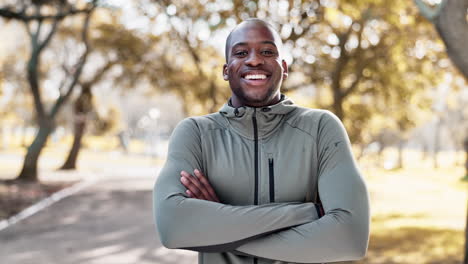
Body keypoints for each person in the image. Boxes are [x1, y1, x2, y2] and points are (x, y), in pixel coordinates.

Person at [153, 18, 370, 264]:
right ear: (226, 70)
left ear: (284, 68)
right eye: (241, 52)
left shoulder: (320, 128)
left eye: (267, 51)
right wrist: (307, 213)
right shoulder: (195, 133)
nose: (254, 60)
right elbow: (173, 228)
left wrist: (219, 227)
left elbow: (350, 239)